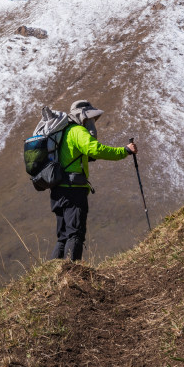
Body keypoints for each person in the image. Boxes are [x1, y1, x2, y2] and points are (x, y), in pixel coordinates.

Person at [50, 100, 137, 261]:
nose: (92, 122)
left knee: (63, 236)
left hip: (57, 190)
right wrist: (124, 151)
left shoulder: (64, 131)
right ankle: (70, 275)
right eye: (90, 118)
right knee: (75, 233)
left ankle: (52, 278)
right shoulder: (77, 131)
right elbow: (95, 149)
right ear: (83, 117)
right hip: (73, 190)